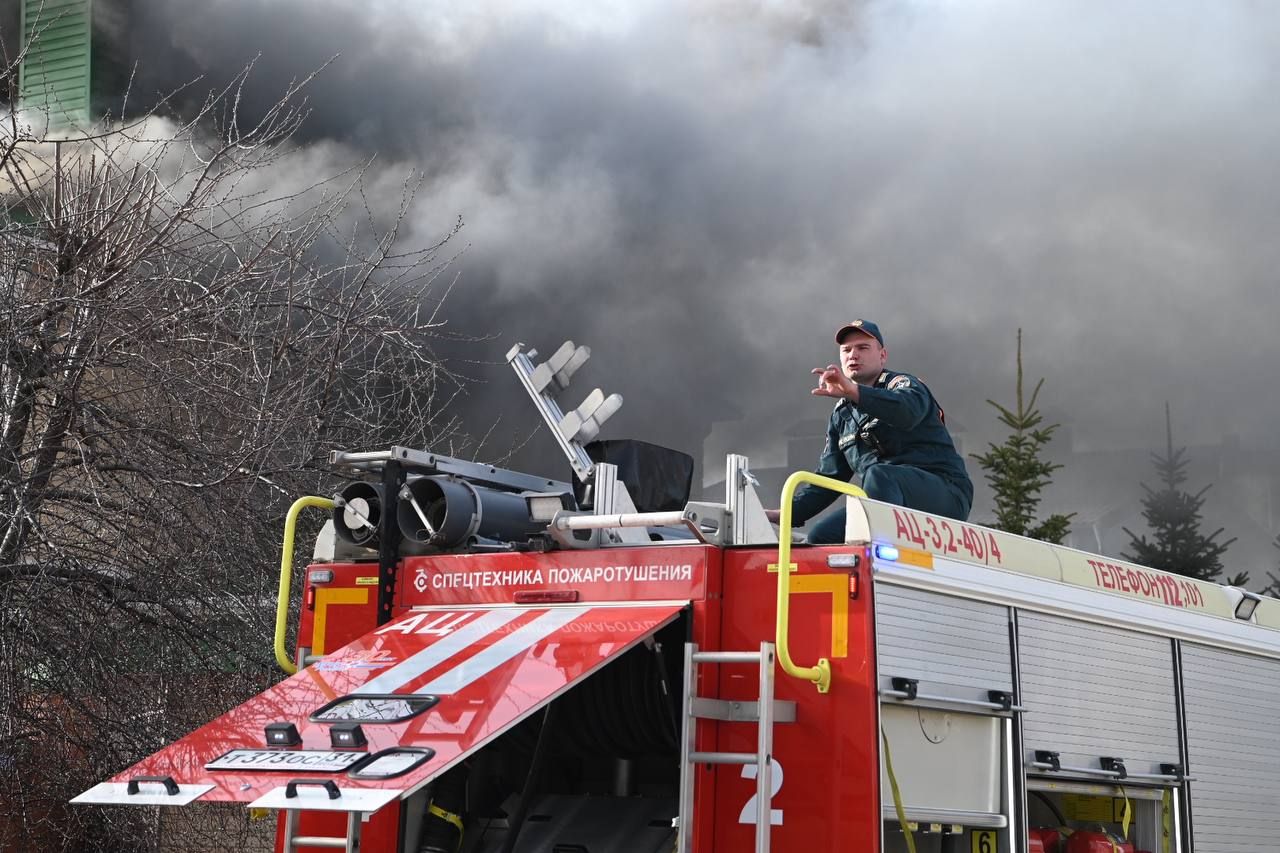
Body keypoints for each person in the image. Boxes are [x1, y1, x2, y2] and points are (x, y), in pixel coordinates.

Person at [770, 319, 973, 544]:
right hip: (886, 503)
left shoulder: (905, 385)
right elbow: (829, 478)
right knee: (821, 536)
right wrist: (785, 514)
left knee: (879, 474)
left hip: (944, 493)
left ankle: (881, 563)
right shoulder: (841, 416)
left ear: (882, 355)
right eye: (846, 350)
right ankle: (869, 563)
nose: (853, 355)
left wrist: (854, 392)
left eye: (863, 348)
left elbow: (907, 412)